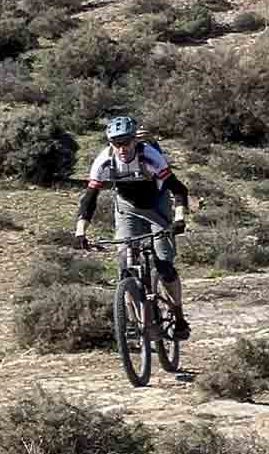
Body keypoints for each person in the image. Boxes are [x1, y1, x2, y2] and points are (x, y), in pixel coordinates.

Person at [75, 115, 192, 341]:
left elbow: (178, 189)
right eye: (116, 143)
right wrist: (81, 231)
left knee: (165, 264)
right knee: (125, 266)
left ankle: (178, 316)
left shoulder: (150, 155)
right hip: (127, 207)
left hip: (157, 204)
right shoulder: (104, 161)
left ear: (134, 141)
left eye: (126, 142)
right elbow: (89, 199)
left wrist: (179, 218)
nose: (121, 148)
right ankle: (137, 321)